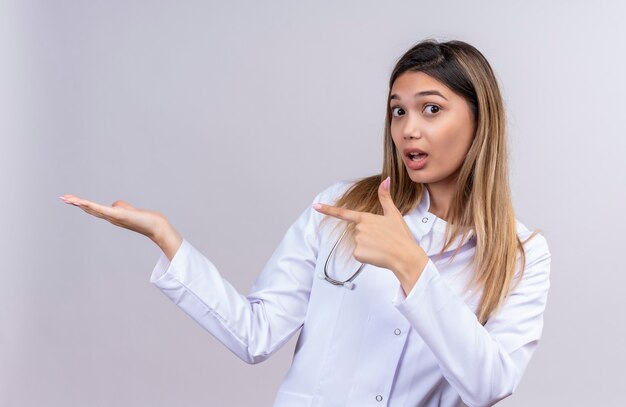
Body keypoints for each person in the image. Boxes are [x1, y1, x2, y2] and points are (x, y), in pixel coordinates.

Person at [61, 39, 551, 407]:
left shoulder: (522, 253)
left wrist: (411, 267)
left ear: (480, 119)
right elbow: (255, 334)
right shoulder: (339, 206)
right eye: (397, 111)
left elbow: (488, 385)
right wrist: (166, 238)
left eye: (431, 108)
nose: (409, 128)